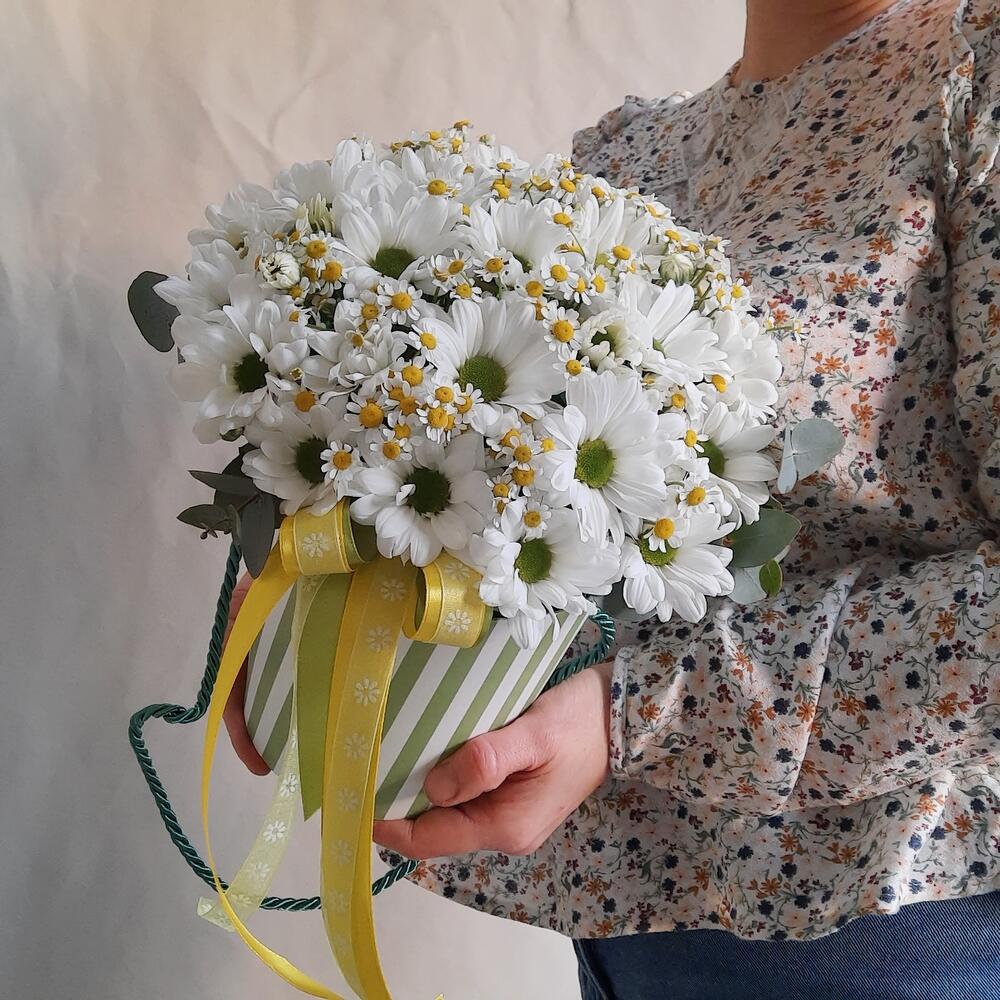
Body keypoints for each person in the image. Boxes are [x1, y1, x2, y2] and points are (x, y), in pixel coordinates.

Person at [225, 0, 1000, 995]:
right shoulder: (632, 152)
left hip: (887, 921)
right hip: (624, 921)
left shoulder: (972, 82)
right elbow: (531, 492)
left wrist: (637, 711)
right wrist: (335, 576)